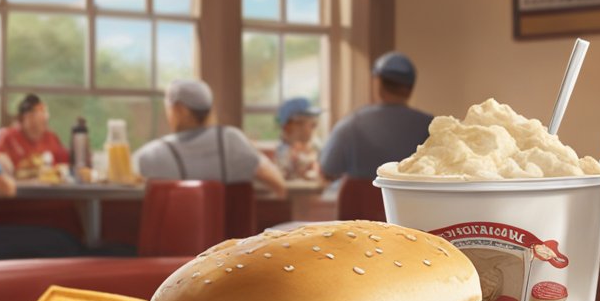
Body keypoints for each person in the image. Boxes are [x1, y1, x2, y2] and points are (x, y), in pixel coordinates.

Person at [133, 79, 286, 198]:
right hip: (235, 237)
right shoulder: (234, 140)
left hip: (175, 237)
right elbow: (279, 185)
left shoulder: (151, 154)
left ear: (179, 109)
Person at [320, 51, 434, 184]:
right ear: (410, 89)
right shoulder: (431, 128)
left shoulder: (351, 124)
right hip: (410, 204)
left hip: (359, 204)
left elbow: (328, 169)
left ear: (378, 83)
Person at [0, 94, 69, 180]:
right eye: (41, 112)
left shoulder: (51, 137)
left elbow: (65, 163)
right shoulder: (7, 137)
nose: (45, 116)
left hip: (50, 188)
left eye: (45, 112)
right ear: (26, 116)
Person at [274, 96, 322, 181]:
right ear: (290, 126)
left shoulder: (314, 146)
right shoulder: (284, 152)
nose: (314, 126)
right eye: (310, 122)